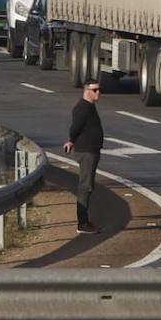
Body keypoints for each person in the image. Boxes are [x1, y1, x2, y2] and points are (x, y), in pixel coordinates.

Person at [63, 78, 104, 235]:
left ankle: (85, 221)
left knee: (88, 185)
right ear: (87, 91)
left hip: (91, 150)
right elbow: (75, 127)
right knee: (85, 186)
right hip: (86, 151)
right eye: (95, 90)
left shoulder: (90, 107)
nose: (98, 93)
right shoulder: (82, 108)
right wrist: (71, 141)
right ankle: (82, 223)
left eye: (99, 89)